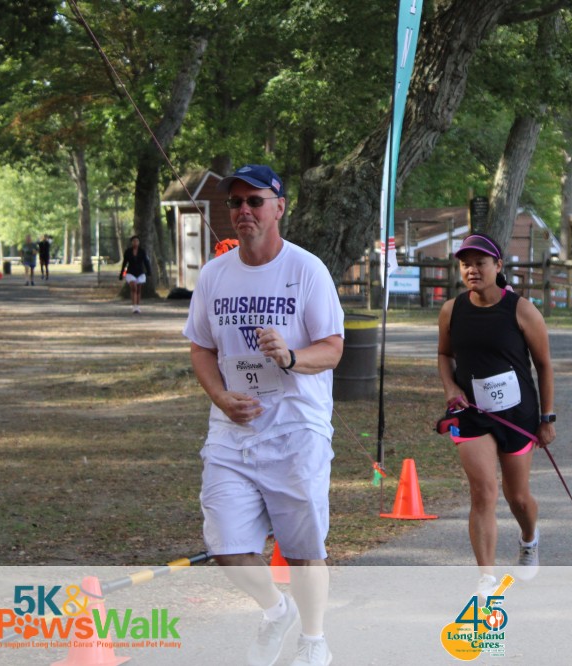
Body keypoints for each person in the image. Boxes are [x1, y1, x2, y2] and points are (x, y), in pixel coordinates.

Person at [183, 164, 343, 666]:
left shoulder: (307, 270)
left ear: (279, 208)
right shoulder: (214, 275)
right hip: (233, 430)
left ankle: (313, 639)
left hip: (296, 429)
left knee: (302, 550)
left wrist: (291, 357)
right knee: (226, 546)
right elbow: (201, 347)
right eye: (235, 202)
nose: (243, 210)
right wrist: (219, 396)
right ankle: (277, 610)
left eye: (255, 201)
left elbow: (333, 347)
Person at [437, 232, 556, 600]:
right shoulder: (452, 310)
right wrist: (450, 388)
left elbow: (544, 365)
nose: (472, 270)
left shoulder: (521, 310)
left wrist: (547, 417)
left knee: (517, 496)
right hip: (472, 414)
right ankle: (486, 578)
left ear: (498, 266)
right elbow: (444, 355)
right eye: (466, 264)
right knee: (483, 492)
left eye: (480, 263)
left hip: (517, 415)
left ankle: (529, 538)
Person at [119, 236, 151, 314]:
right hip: (131, 272)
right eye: (134, 241)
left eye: (137, 241)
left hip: (140, 272)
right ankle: (133, 306)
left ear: (139, 242)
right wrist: (122, 273)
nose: (135, 243)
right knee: (134, 288)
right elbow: (124, 263)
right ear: (131, 242)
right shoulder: (128, 252)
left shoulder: (142, 252)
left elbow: (146, 262)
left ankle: (137, 306)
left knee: (139, 289)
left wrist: (149, 271)